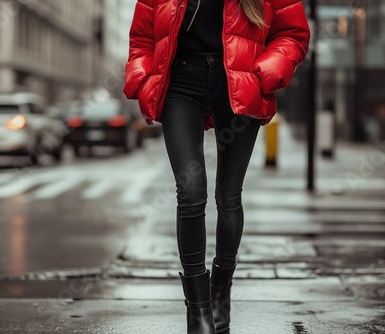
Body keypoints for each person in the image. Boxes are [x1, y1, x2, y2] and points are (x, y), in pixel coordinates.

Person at [124, 0, 310, 332]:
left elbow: (292, 33)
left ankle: (220, 293)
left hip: (239, 81)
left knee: (228, 197)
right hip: (181, 84)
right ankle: (197, 310)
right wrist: (143, 79)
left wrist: (265, 71)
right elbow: (141, 38)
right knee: (191, 191)